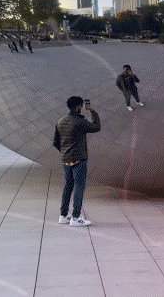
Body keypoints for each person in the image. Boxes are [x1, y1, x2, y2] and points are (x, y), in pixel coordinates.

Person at [53, 96, 101, 227]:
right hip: (79, 159)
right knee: (79, 187)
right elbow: (96, 127)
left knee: (68, 186)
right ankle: (76, 217)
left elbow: (56, 143)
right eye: (81, 106)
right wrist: (93, 112)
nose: (82, 108)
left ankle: (63, 216)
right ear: (77, 106)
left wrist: (65, 153)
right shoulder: (79, 121)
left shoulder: (60, 121)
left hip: (66, 159)